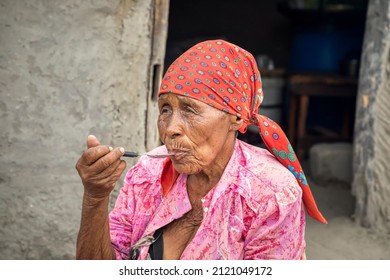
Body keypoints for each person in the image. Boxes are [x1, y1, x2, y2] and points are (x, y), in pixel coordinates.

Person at [75, 39, 327, 260]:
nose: (170, 129)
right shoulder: (147, 173)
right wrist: (96, 197)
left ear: (236, 118)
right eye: (165, 109)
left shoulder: (270, 194)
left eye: (189, 109)